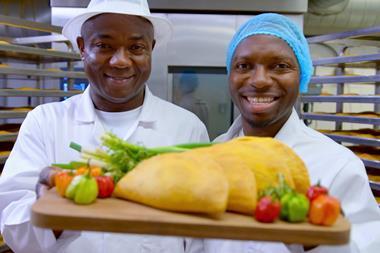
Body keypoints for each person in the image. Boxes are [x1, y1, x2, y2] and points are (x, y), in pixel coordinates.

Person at [0, 0, 208, 252]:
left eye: (136, 47)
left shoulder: (185, 127)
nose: (120, 61)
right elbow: (11, 227)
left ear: (151, 48)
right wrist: (53, 211)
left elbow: (200, 235)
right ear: (81, 47)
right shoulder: (45, 122)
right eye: (104, 46)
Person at [202, 13, 380, 253]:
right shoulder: (212, 154)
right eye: (244, 66)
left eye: (280, 66)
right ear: (230, 75)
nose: (260, 80)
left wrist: (317, 240)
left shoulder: (338, 166)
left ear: (302, 76)